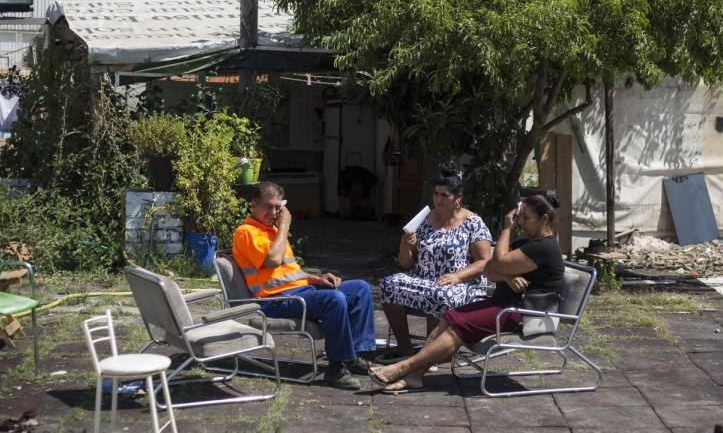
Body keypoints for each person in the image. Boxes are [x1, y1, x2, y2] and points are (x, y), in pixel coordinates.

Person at [369, 193, 565, 392]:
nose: (521, 223)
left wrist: (507, 229)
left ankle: (401, 368)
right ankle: (415, 377)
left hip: (521, 313)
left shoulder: (544, 248)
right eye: (520, 217)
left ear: (545, 219)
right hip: (502, 305)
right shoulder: (527, 243)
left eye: (526, 218)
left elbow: (498, 262)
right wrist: (506, 277)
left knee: (458, 328)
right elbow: (489, 270)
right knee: (448, 317)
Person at [232, 181, 376, 390]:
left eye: (277, 207)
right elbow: (273, 260)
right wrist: (284, 226)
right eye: (268, 206)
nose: (273, 212)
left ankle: (353, 355)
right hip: (274, 301)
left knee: (360, 289)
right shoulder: (246, 232)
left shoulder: (273, 232)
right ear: (253, 205)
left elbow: (289, 271)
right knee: (334, 299)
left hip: (300, 291)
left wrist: (316, 279)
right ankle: (336, 369)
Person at [377, 167, 493, 362]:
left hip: (460, 283)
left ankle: (429, 354)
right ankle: (404, 347)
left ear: (458, 198)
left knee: (438, 292)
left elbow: (485, 261)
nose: (438, 199)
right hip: (422, 278)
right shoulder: (424, 218)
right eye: (436, 194)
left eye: (444, 195)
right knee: (389, 284)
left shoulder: (473, 222)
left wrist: (457, 276)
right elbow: (406, 264)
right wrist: (406, 243)